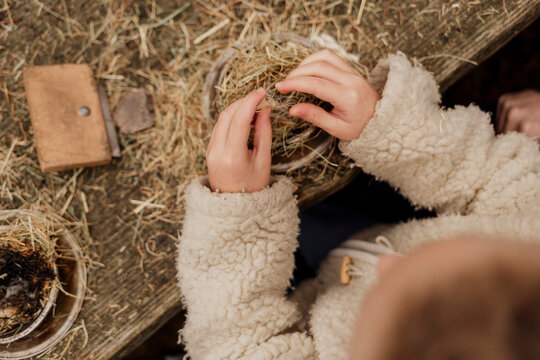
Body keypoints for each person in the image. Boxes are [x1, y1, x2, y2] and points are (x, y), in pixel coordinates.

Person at [176, 50, 540, 359]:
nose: (387, 265)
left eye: (391, 296)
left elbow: (239, 346)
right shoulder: (529, 240)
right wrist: (391, 128)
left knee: (306, 221)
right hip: (386, 226)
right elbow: (499, 175)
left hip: (313, 294)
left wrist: (238, 216)